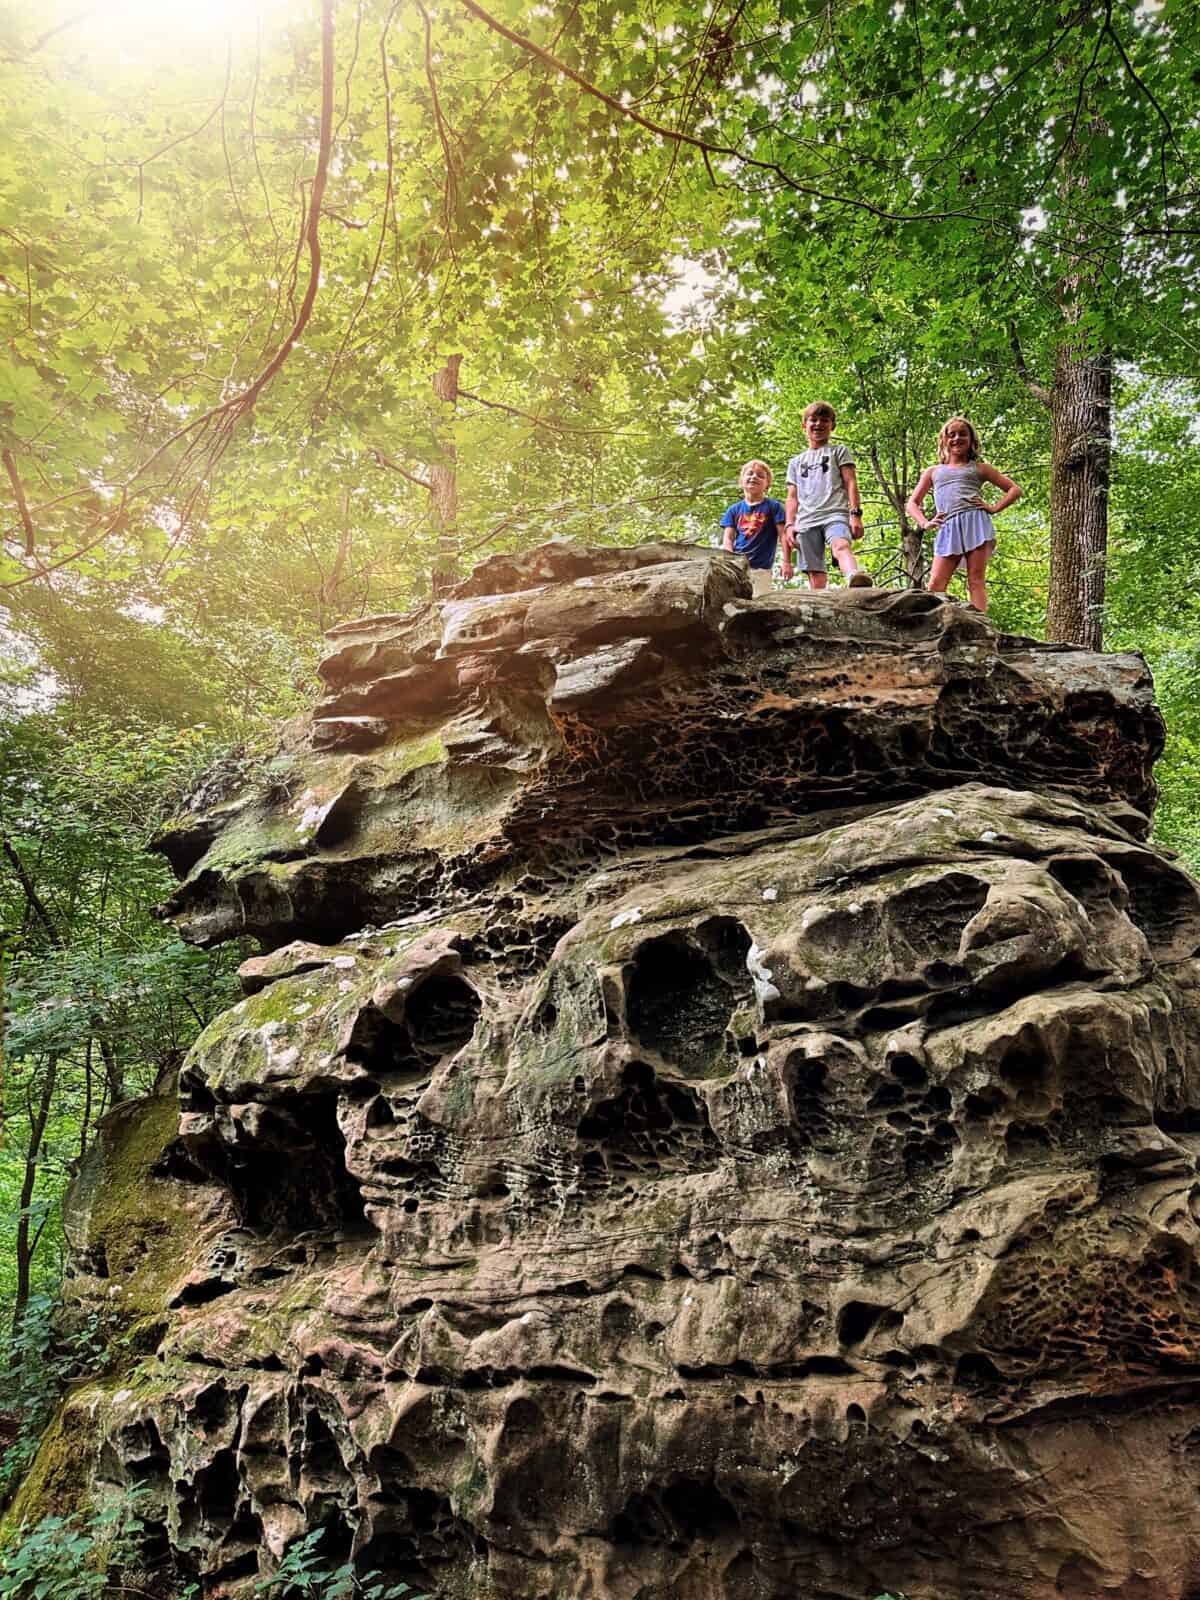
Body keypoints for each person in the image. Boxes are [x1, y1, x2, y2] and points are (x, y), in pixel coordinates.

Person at [905, 416, 1022, 613]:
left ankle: (980, 623)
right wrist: (924, 523)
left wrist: (993, 508)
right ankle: (934, 625)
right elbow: (912, 503)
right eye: (952, 434)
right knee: (935, 584)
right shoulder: (934, 471)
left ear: (971, 440)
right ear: (944, 440)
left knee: (975, 579)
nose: (957, 438)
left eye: (963, 434)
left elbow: (1014, 490)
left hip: (976, 523)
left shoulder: (980, 468)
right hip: (948, 526)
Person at [784, 401, 872, 589]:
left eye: (824, 420)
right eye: (813, 420)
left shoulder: (838, 451)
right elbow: (792, 496)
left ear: (832, 425)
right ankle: (820, 604)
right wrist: (789, 524)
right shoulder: (796, 462)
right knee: (814, 571)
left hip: (835, 513)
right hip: (806, 520)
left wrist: (855, 514)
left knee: (840, 545)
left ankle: (854, 578)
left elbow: (851, 482)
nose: (818, 424)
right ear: (804, 425)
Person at [720, 460, 790, 597]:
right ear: (741, 481)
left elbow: (783, 535)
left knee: (758, 602)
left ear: (767, 484)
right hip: (737, 567)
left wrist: (786, 562)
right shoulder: (734, 510)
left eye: (760, 475)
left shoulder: (773, 507)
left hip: (761, 569)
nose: (754, 477)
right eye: (750, 474)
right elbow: (728, 538)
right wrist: (728, 560)